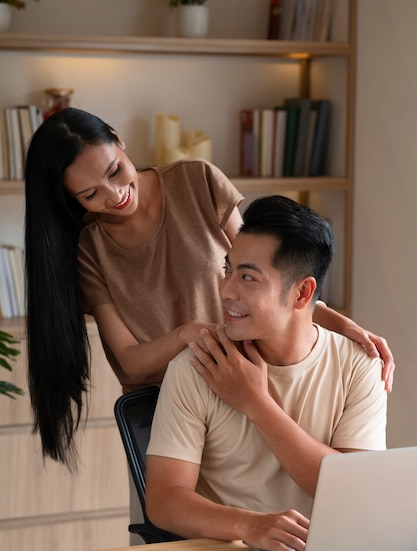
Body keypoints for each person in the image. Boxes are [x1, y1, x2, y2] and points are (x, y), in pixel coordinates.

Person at [25, 108, 392, 528]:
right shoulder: (90, 249)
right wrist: (188, 336)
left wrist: (337, 323)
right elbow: (131, 361)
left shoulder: (196, 181)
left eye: (115, 171)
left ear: (118, 139)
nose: (114, 195)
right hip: (182, 400)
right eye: (90, 195)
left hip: (246, 366)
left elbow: (264, 271)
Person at [146, 195, 387, 551]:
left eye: (247, 277)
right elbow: (164, 501)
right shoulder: (197, 366)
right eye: (228, 271)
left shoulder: (359, 366)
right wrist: (250, 526)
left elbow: (358, 494)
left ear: (302, 292)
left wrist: (257, 404)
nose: (226, 290)